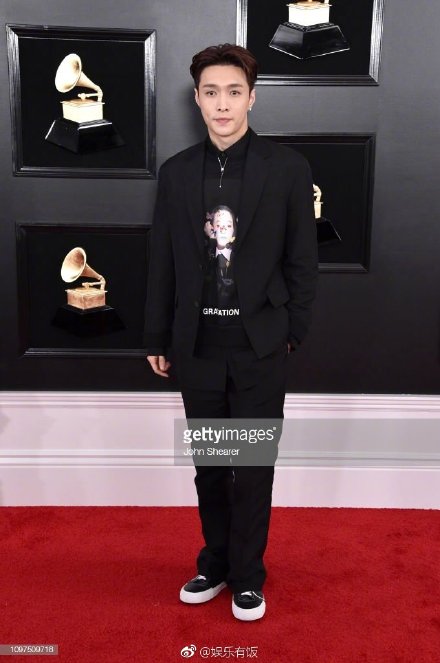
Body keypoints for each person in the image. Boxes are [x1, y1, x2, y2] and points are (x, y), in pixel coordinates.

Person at [144, 43, 318, 621]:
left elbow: (303, 260)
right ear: (197, 99)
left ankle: (248, 576)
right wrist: (157, 337)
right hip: (197, 348)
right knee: (212, 467)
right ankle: (214, 564)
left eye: (234, 92)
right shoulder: (176, 173)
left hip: (259, 347)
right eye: (212, 92)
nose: (223, 104)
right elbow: (163, 261)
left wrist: (291, 330)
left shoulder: (287, 168)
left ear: (251, 98)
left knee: (253, 468)